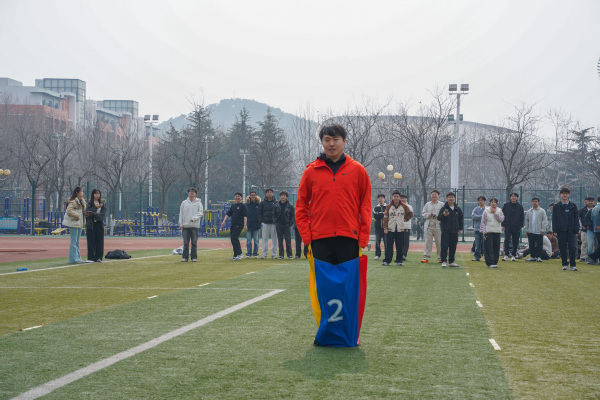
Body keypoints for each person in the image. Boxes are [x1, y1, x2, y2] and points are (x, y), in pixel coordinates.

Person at [296, 123, 372, 265]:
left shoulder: (358, 170)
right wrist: (307, 236)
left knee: (349, 280)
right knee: (321, 280)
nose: (331, 144)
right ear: (322, 142)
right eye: (327, 140)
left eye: (336, 139)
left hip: (349, 239)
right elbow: (301, 206)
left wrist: (363, 237)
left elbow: (366, 206)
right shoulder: (311, 172)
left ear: (344, 141)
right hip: (319, 240)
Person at [382, 190, 413, 266]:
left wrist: (405, 219)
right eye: (394, 196)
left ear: (399, 197)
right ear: (392, 197)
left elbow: (410, 214)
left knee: (399, 246)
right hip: (390, 229)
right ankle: (387, 260)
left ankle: (399, 261)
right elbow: (385, 217)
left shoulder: (404, 206)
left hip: (400, 229)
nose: (396, 198)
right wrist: (385, 227)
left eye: (397, 196)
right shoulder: (388, 206)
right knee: (389, 246)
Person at [552, 187, 579, 271]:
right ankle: (564, 264)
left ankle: (573, 265)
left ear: (569, 195)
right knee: (562, 247)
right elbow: (554, 219)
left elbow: (576, 219)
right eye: (563, 193)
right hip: (561, 230)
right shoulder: (556, 206)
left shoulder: (573, 206)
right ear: (560, 195)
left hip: (571, 231)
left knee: (572, 247)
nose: (565, 195)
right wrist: (555, 230)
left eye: (566, 193)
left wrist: (576, 230)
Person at [437, 192, 464, 267]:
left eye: (452, 197)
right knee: (444, 246)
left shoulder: (457, 208)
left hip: (455, 231)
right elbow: (439, 218)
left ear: (454, 198)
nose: (451, 199)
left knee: (453, 247)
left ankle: (451, 261)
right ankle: (444, 261)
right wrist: (443, 215)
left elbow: (461, 219)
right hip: (445, 230)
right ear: (446, 199)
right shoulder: (444, 208)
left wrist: (460, 228)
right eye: (449, 197)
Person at [62, 186, 87, 264]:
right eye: (81, 191)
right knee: (74, 241)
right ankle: (73, 259)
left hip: (79, 223)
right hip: (74, 223)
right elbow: (69, 211)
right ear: (77, 193)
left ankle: (78, 258)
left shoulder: (82, 201)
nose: (83, 193)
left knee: (77, 242)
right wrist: (77, 215)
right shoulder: (73, 201)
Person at [221, 192, 247, 261]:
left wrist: (245, 225)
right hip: (233, 224)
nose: (237, 197)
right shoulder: (233, 205)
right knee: (232, 239)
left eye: (238, 196)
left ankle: (240, 253)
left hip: (239, 224)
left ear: (241, 198)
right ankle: (235, 255)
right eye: (236, 196)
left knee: (234, 238)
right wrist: (224, 221)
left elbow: (245, 216)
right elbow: (228, 214)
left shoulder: (243, 205)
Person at [480, 197, 505, 268]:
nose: (493, 203)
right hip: (488, 232)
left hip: (497, 232)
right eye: (492, 202)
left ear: (497, 203)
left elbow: (501, 219)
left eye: (495, 202)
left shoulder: (499, 211)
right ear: (490, 203)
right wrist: (483, 230)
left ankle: (495, 262)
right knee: (489, 248)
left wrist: (495, 213)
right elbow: (483, 221)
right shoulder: (486, 211)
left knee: (496, 248)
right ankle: (490, 263)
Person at [421, 189, 444, 263]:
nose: (434, 196)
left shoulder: (442, 204)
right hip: (429, 226)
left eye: (435, 194)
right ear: (430, 196)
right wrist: (429, 215)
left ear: (438, 196)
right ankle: (426, 257)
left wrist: (438, 216)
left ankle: (440, 258)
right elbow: (423, 214)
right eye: (432, 194)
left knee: (439, 242)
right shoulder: (427, 204)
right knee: (428, 242)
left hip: (438, 226)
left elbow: (444, 214)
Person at [501, 192, 525, 261]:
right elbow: (503, 215)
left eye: (515, 196)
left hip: (516, 226)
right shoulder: (506, 205)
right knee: (506, 240)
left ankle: (514, 255)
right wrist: (503, 225)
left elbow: (522, 216)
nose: (513, 197)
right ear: (510, 197)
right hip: (508, 226)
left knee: (515, 241)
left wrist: (521, 225)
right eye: (512, 196)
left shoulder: (520, 206)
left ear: (517, 198)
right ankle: (506, 255)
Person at [85, 189, 107, 263]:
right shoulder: (89, 204)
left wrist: (95, 215)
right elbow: (88, 214)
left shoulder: (102, 204)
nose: (97, 195)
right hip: (91, 224)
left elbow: (102, 215)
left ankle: (99, 257)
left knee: (99, 241)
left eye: (98, 194)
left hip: (99, 224)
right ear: (93, 195)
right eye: (95, 194)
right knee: (91, 241)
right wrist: (95, 208)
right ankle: (91, 257)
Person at [524, 197, 548, 262]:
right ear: (531, 202)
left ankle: (539, 257)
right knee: (531, 245)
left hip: (539, 231)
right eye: (533, 201)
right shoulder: (529, 211)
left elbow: (545, 220)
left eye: (536, 201)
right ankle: (532, 257)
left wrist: (543, 229)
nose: (534, 203)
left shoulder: (542, 211)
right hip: (531, 231)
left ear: (538, 202)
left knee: (539, 245)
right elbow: (526, 221)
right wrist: (526, 229)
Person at [258, 188, 278, 259]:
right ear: (266, 194)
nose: (269, 193)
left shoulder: (276, 202)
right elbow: (259, 213)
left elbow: (278, 213)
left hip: (274, 223)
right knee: (264, 239)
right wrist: (261, 221)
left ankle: (274, 255)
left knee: (274, 240)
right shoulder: (262, 203)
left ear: (272, 193)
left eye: (270, 192)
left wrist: (276, 221)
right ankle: (264, 255)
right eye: (268, 192)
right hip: (265, 223)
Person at [275, 190, 295, 259]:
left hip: (287, 225)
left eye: (284, 195)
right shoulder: (276, 205)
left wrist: (290, 224)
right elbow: (273, 215)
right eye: (281, 195)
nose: (282, 197)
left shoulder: (290, 205)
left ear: (286, 196)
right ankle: (281, 255)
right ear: (280, 196)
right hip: (279, 225)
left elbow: (293, 216)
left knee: (288, 241)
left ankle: (289, 255)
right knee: (280, 241)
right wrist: (276, 223)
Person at [245, 190, 261, 258]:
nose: (253, 196)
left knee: (256, 240)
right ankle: (248, 253)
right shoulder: (246, 205)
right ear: (250, 196)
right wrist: (245, 224)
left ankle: (255, 253)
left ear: (256, 196)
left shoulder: (259, 204)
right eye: (252, 195)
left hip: (256, 225)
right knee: (248, 240)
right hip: (248, 225)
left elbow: (260, 214)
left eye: (254, 195)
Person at [578, 197, 594, 261]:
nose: (590, 202)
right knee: (584, 243)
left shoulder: (596, 209)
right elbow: (578, 219)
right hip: (584, 230)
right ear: (585, 202)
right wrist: (581, 226)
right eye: (589, 201)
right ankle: (583, 257)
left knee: (592, 244)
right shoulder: (582, 210)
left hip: (593, 229)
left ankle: (591, 257)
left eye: (592, 201)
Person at [471, 196, 486, 261]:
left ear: (484, 201)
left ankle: (486, 256)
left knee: (485, 244)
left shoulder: (487, 209)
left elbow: (486, 217)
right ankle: (477, 257)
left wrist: (478, 216)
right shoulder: (475, 209)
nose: (480, 201)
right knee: (477, 244)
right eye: (479, 200)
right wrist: (482, 216)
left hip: (485, 229)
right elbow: (473, 216)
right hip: (477, 228)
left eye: (482, 200)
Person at [372, 194, 387, 260]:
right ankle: (377, 255)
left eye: (382, 198)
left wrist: (380, 214)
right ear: (378, 199)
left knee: (386, 242)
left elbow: (387, 215)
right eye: (379, 198)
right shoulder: (375, 208)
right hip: (378, 228)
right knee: (377, 242)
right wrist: (383, 214)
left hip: (385, 228)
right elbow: (375, 215)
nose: (380, 199)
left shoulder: (387, 207)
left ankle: (387, 254)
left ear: (384, 199)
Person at [400, 194, 413, 261]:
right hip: (399, 226)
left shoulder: (409, 207)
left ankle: (404, 255)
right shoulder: (398, 206)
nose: (402, 199)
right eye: (401, 198)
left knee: (405, 241)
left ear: (406, 199)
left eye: (404, 198)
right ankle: (400, 254)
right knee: (400, 241)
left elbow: (409, 215)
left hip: (406, 226)